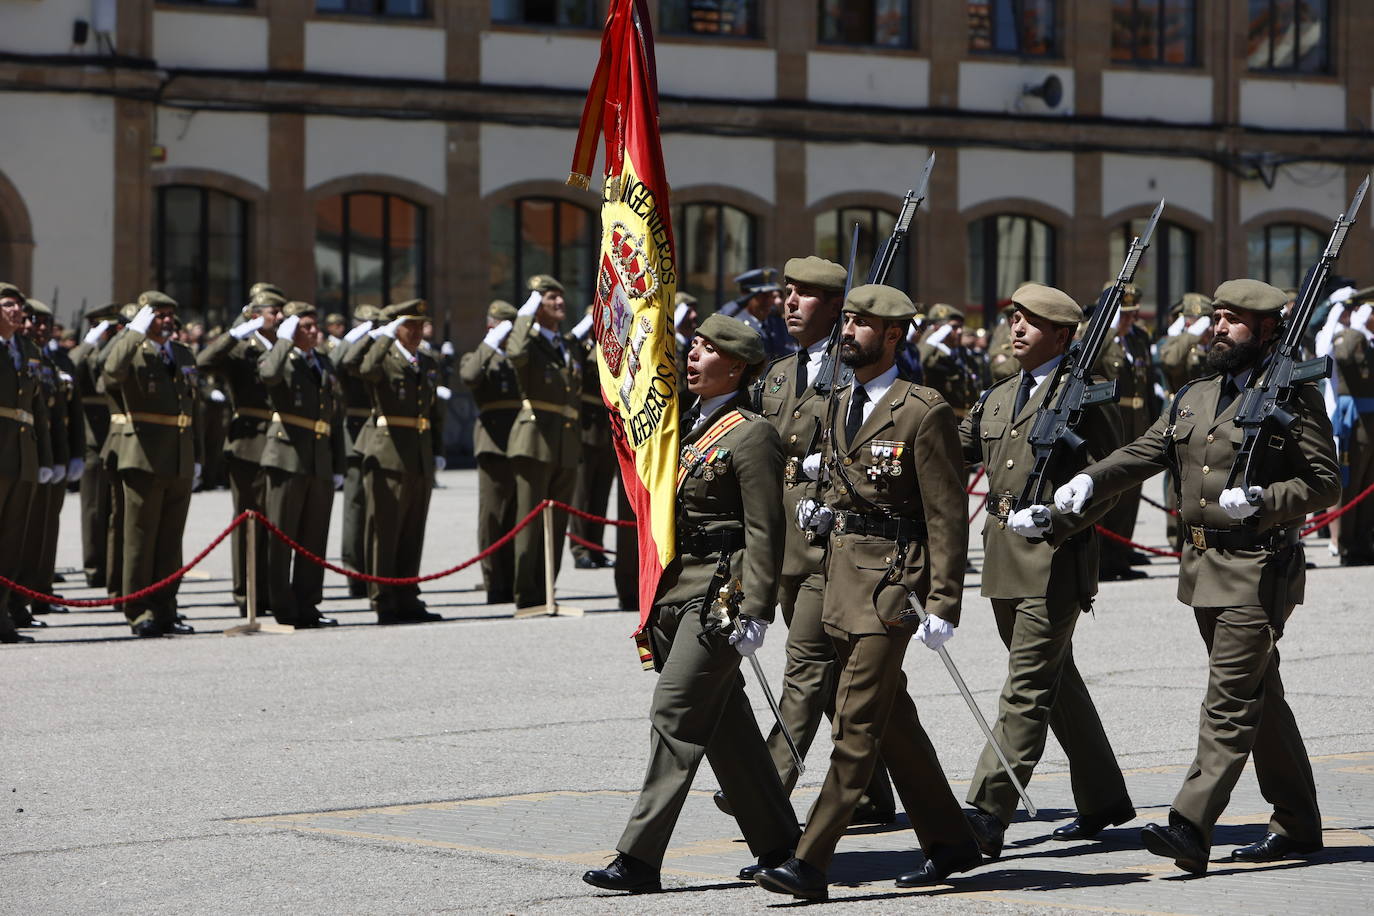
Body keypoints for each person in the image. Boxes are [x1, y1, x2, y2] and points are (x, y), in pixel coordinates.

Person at [1056, 278, 1339, 874]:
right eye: (1216, 316)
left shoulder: (1293, 395)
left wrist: (1265, 497)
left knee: (1229, 702)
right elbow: (1145, 452)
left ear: (1266, 328)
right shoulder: (1197, 393)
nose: (1218, 327)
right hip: (1204, 567)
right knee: (1261, 697)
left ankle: (1191, 823)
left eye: (1233, 319)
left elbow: (1323, 482)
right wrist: (1092, 479)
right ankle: (1298, 822)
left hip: (1259, 567)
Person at [755, 284, 980, 900]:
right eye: (846, 320)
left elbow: (946, 516)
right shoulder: (833, 404)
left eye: (862, 324)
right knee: (892, 720)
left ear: (892, 336)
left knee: (854, 724)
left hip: (889, 587)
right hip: (833, 578)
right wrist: (818, 512)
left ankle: (810, 861)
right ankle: (951, 839)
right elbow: (835, 479)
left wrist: (943, 602)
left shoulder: (921, 411)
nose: (847, 330)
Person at [582, 313, 798, 895]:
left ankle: (638, 857)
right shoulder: (681, 425)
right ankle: (781, 844)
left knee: (674, 713)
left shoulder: (751, 433)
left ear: (736, 365)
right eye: (693, 347)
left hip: (719, 595)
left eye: (705, 350)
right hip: (678, 589)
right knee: (726, 726)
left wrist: (756, 608)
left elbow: (765, 529)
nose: (692, 357)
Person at [957, 283, 1134, 859]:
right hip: (1005, 558)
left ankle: (985, 811)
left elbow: (1109, 481)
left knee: (1027, 686)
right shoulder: (1000, 396)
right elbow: (949, 448)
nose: (1016, 329)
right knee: (1055, 681)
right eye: (1013, 318)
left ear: (1061, 334)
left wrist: (1058, 518)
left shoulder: (1084, 396)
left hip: (1055, 561)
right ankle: (1103, 796)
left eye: (1030, 322)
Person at [737, 255, 896, 823]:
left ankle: (765, 784)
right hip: (780, 546)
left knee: (804, 665)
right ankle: (875, 788)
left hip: (831, 546)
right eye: (787, 292)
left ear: (836, 308)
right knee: (849, 679)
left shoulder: (856, 375)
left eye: (806, 295)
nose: (790, 302)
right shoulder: (779, 373)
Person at [101, 291, 201, 637]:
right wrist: (133, 333)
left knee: (171, 541)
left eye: (170, 314)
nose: (167, 320)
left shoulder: (183, 353)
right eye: (159, 315)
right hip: (143, 454)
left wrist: (196, 455)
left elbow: (192, 408)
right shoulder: (133, 351)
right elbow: (110, 371)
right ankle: (139, 608)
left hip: (179, 455)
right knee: (140, 538)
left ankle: (166, 606)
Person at [342, 300, 445, 625]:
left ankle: (407, 593)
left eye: (419, 325)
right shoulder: (381, 357)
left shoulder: (427, 359)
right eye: (408, 325)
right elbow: (355, 365)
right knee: (384, 530)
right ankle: (383, 596)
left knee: (413, 529)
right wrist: (382, 337)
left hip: (419, 452)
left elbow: (432, 411)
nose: (416, 331)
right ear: (394, 327)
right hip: (387, 451)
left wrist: (437, 450)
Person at [197, 288, 285, 616]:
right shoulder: (241, 348)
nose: (279, 317)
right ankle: (246, 592)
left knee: (277, 524)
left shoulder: (284, 345)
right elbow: (203, 363)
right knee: (250, 521)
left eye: (279, 311)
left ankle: (271, 590)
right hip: (249, 442)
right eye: (272, 311)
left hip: (281, 441)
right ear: (255, 315)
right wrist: (232, 335)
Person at [257, 302, 345, 628]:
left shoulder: (322, 361)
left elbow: (335, 413)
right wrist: (282, 341)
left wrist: (337, 462)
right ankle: (282, 606)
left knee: (314, 537)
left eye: (313, 326)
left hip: (319, 456)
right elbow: (267, 374)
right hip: (287, 454)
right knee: (282, 536)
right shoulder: (282, 357)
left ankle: (308, 604)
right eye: (304, 326)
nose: (312, 332)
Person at [504, 275, 581, 612]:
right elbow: (515, 353)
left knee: (557, 523)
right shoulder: (528, 340)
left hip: (564, 441)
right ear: (537, 305)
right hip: (534, 439)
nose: (560, 303)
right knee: (530, 520)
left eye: (561, 297)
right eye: (551, 298)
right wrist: (525, 314)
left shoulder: (564, 343)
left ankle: (547, 590)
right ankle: (526, 593)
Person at [12, 299, 81, 625]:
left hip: (42, 453)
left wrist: (65, 456)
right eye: (32, 320)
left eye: (43, 322)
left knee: (41, 529)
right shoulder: (24, 356)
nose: (36, 327)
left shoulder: (46, 360)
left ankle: (35, 591)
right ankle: (20, 597)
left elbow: (60, 413)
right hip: (20, 452)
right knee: (22, 533)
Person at [1094, 283, 1160, 580]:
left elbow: (1145, 386)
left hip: (1136, 421)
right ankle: (1101, 561)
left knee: (1131, 491)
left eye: (1133, 314)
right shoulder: (1099, 338)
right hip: (1110, 422)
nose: (1130, 320)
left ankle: (1119, 558)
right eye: (1125, 314)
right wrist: (1108, 332)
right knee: (1107, 490)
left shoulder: (1138, 339)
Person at [458, 300, 521, 604]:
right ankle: (495, 581)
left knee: (520, 516)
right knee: (494, 516)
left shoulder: (519, 355)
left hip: (523, 442)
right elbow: (469, 376)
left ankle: (519, 580)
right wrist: (490, 342)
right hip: (494, 442)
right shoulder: (479, 356)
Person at [0, 282, 51, 643]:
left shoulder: (29, 350)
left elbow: (37, 410)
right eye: (7, 305)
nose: (16, 311)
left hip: (22, 455)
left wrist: (45, 457)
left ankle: (1, 614)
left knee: (12, 541)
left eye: (18, 306)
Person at [70, 303, 121, 589]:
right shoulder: (87, 350)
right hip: (92, 434)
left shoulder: (114, 349)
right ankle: (94, 567)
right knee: (93, 507)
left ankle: (113, 566)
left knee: (114, 507)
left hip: (114, 431)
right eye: (105, 328)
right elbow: (71, 365)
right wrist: (89, 341)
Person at [333, 303, 382, 596]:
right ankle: (355, 572)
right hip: (355, 430)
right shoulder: (351, 348)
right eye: (369, 325)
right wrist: (359, 335)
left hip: (381, 431)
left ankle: (379, 570)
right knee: (356, 507)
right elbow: (338, 361)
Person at [1329, 290, 1374, 565]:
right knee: (1352, 483)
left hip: (1371, 421)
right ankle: (1347, 544)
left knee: (1369, 484)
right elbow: (1342, 354)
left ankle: (1364, 540)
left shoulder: (1368, 342)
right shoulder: (1350, 338)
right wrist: (1356, 327)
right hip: (1355, 421)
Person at [569, 305, 615, 569]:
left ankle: (595, 548)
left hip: (607, 429)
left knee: (600, 493)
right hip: (585, 427)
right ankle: (579, 548)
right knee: (582, 494)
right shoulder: (581, 348)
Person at [720, 267, 794, 360]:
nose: (768, 302)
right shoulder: (737, 324)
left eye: (770, 296)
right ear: (746, 297)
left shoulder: (775, 322)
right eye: (762, 296)